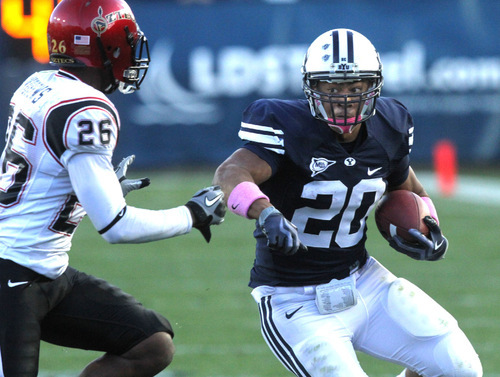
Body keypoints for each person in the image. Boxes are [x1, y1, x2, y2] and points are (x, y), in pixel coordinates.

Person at [213, 28, 482, 377]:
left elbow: (410, 191)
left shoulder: (390, 125)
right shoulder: (286, 125)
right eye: (332, 88)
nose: (344, 99)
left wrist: (428, 227)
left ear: (374, 86)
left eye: (355, 88)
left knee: (460, 369)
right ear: (312, 88)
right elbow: (230, 172)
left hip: (364, 281)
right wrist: (265, 213)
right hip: (294, 300)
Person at [0, 0, 226, 376]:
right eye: (125, 40)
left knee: (150, 344)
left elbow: (42, 173)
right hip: (11, 272)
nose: (132, 51)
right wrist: (192, 215)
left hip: (45, 269)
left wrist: (96, 188)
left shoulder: (38, 83)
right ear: (100, 46)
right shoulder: (88, 110)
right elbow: (116, 227)